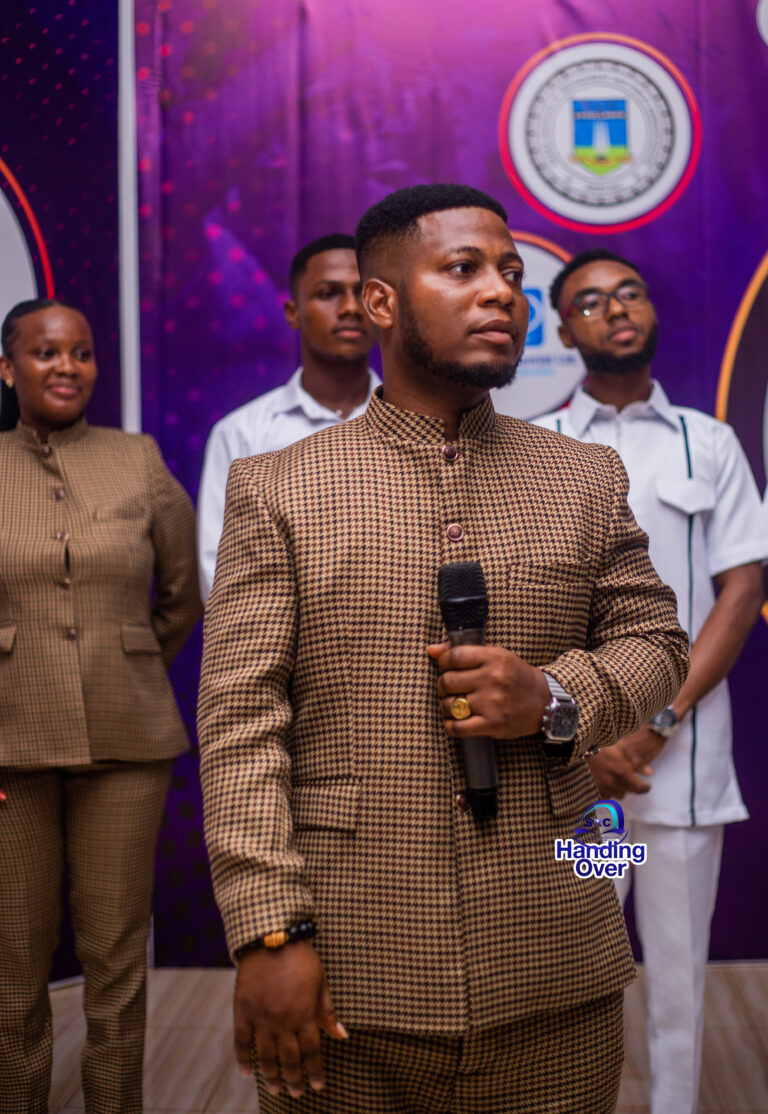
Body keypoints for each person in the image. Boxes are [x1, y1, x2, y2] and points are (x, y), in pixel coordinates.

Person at [197, 185, 689, 1113]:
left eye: (510, 273)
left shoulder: (583, 475)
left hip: (555, 968)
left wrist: (553, 695)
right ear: (381, 303)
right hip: (351, 975)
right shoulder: (277, 487)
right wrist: (269, 933)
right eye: (463, 269)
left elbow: (656, 641)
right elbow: (241, 726)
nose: (501, 292)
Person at [535, 249, 768, 1114]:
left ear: (651, 311)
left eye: (628, 293)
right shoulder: (538, 448)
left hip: (679, 775)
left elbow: (740, 592)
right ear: (565, 334)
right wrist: (588, 740)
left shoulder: (707, 442)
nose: (615, 309)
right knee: (573, 971)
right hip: (580, 780)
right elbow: (530, 613)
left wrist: (654, 726)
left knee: (677, 981)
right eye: (591, 302)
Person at [0, 299, 202, 1114]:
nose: (67, 367)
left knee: (116, 957)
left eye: (81, 353)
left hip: (128, 739)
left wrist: (128, 658)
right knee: (13, 961)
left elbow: (182, 593)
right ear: (7, 368)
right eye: (46, 352)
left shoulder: (137, 458)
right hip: (9, 742)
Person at [197, 233, 379, 599]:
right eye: (328, 293)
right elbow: (220, 574)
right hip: (279, 634)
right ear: (293, 312)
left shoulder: (416, 423)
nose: (350, 308)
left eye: (362, 293)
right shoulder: (242, 433)